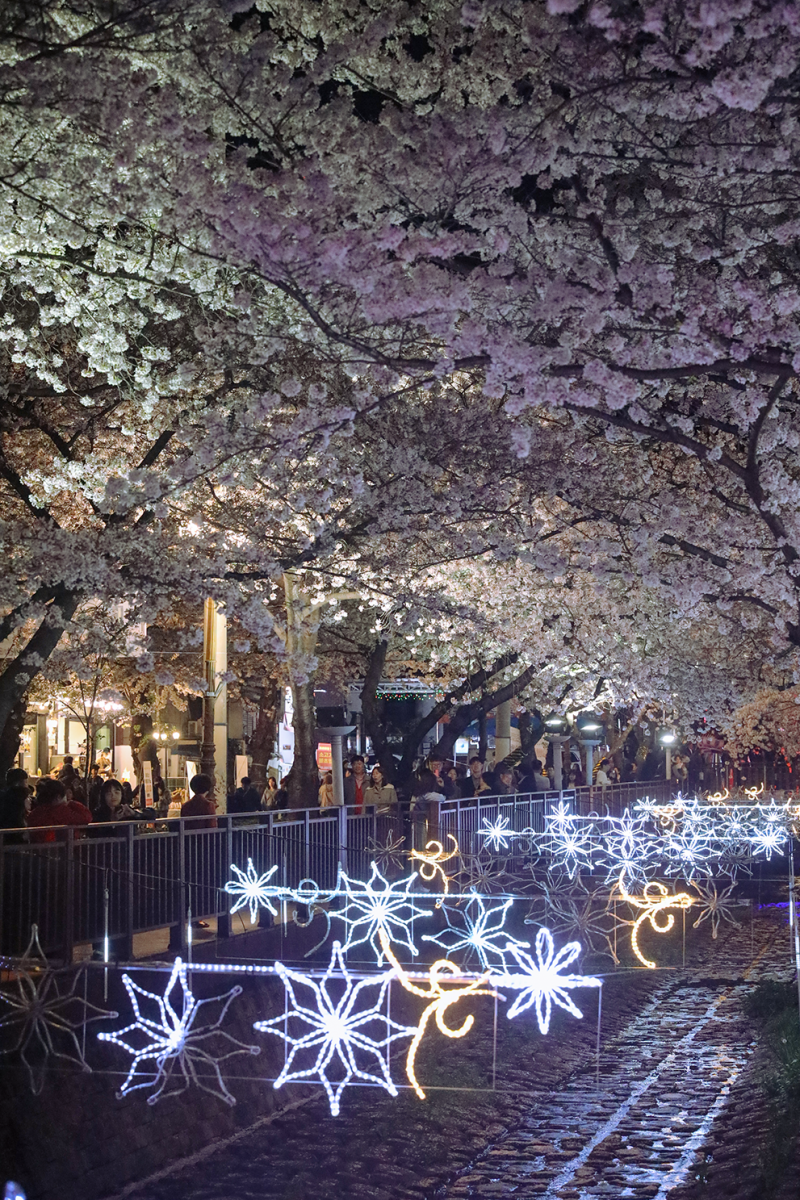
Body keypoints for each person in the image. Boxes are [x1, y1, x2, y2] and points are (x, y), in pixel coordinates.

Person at [26, 777, 92, 843]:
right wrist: (71, 803)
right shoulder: (61, 811)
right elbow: (86, 817)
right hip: (60, 847)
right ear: (58, 797)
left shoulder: (36, 812)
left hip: (38, 847)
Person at [0, 768, 31, 838]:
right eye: (25, 782)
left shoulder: (3, 794)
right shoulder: (21, 795)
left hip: (4, 830)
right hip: (17, 831)